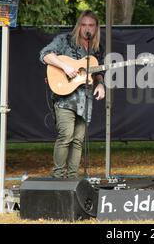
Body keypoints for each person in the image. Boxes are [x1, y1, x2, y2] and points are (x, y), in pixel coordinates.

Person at [40, 10, 105, 178]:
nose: (87, 29)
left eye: (91, 25)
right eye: (83, 25)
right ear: (78, 26)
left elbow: (98, 71)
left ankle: (73, 177)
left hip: (85, 100)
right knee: (66, 136)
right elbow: (45, 55)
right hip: (65, 98)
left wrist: (101, 85)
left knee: (78, 140)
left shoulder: (97, 48)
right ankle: (58, 176)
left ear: (96, 28)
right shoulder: (65, 40)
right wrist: (65, 66)